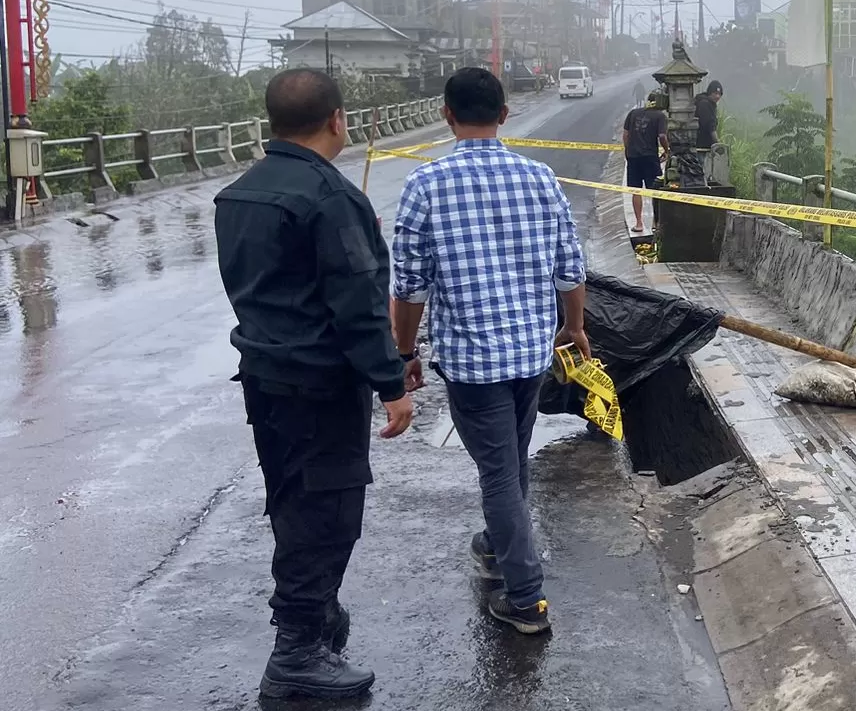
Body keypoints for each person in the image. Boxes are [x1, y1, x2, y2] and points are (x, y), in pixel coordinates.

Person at [213, 69, 415, 701]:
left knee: (291, 500)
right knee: (325, 513)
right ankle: (296, 651)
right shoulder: (329, 198)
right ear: (337, 120)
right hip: (321, 387)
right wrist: (392, 383)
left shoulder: (240, 193)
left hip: (266, 380)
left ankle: (317, 618)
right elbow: (357, 305)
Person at [389, 67, 589, 636]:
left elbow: (409, 287)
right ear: (505, 114)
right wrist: (574, 327)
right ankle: (497, 545)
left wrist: (405, 352)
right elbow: (569, 267)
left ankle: (525, 598)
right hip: (530, 354)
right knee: (509, 461)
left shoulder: (425, 185)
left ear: (447, 115)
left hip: (473, 363)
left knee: (499, 473)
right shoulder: (539, 178)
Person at [622, 90, 670, 233]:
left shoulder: (633, 113)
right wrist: (667, 151)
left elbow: (625, 135)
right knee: (655, 190)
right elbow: (662, 136)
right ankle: (656, 223)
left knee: (636, 190)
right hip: (650, 157)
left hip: (633, 157)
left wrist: (628, 151)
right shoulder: (660, 116)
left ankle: (638, 224)